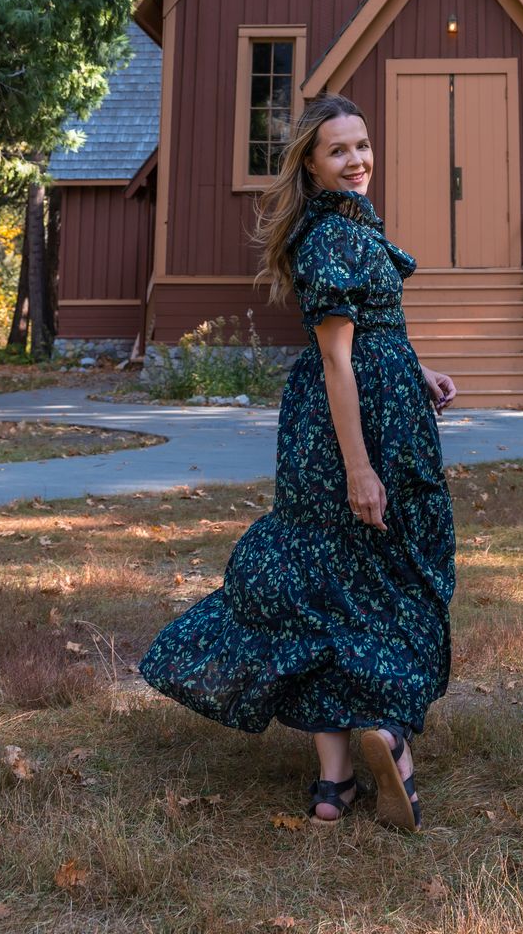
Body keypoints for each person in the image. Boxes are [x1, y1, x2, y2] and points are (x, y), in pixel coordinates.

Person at [138, 93, 458, 832]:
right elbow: (337, 360)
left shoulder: (344, 228)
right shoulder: (334, 239)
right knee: (384, 575)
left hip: (371, 415)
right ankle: (386, 730)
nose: (357, 161)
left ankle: (333, 784)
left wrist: (419, 371)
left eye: (363, 145)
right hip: (348, 436)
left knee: (329, 581)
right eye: (338, 151)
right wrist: (359, 468)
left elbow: (375, 336)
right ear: (311, 166)